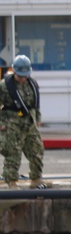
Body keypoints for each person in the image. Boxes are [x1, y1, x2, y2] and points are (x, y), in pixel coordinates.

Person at [0, 55, 44, 189]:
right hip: (11, 122)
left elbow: (35, 104)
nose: (23, 79)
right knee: (12, 152)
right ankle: (11, 181)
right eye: (20, 76)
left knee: (37, 150)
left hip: (29, 122)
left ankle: (36, 178)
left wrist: (37, 119)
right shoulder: (4, 86)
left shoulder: (32, 84)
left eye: (25, 76)